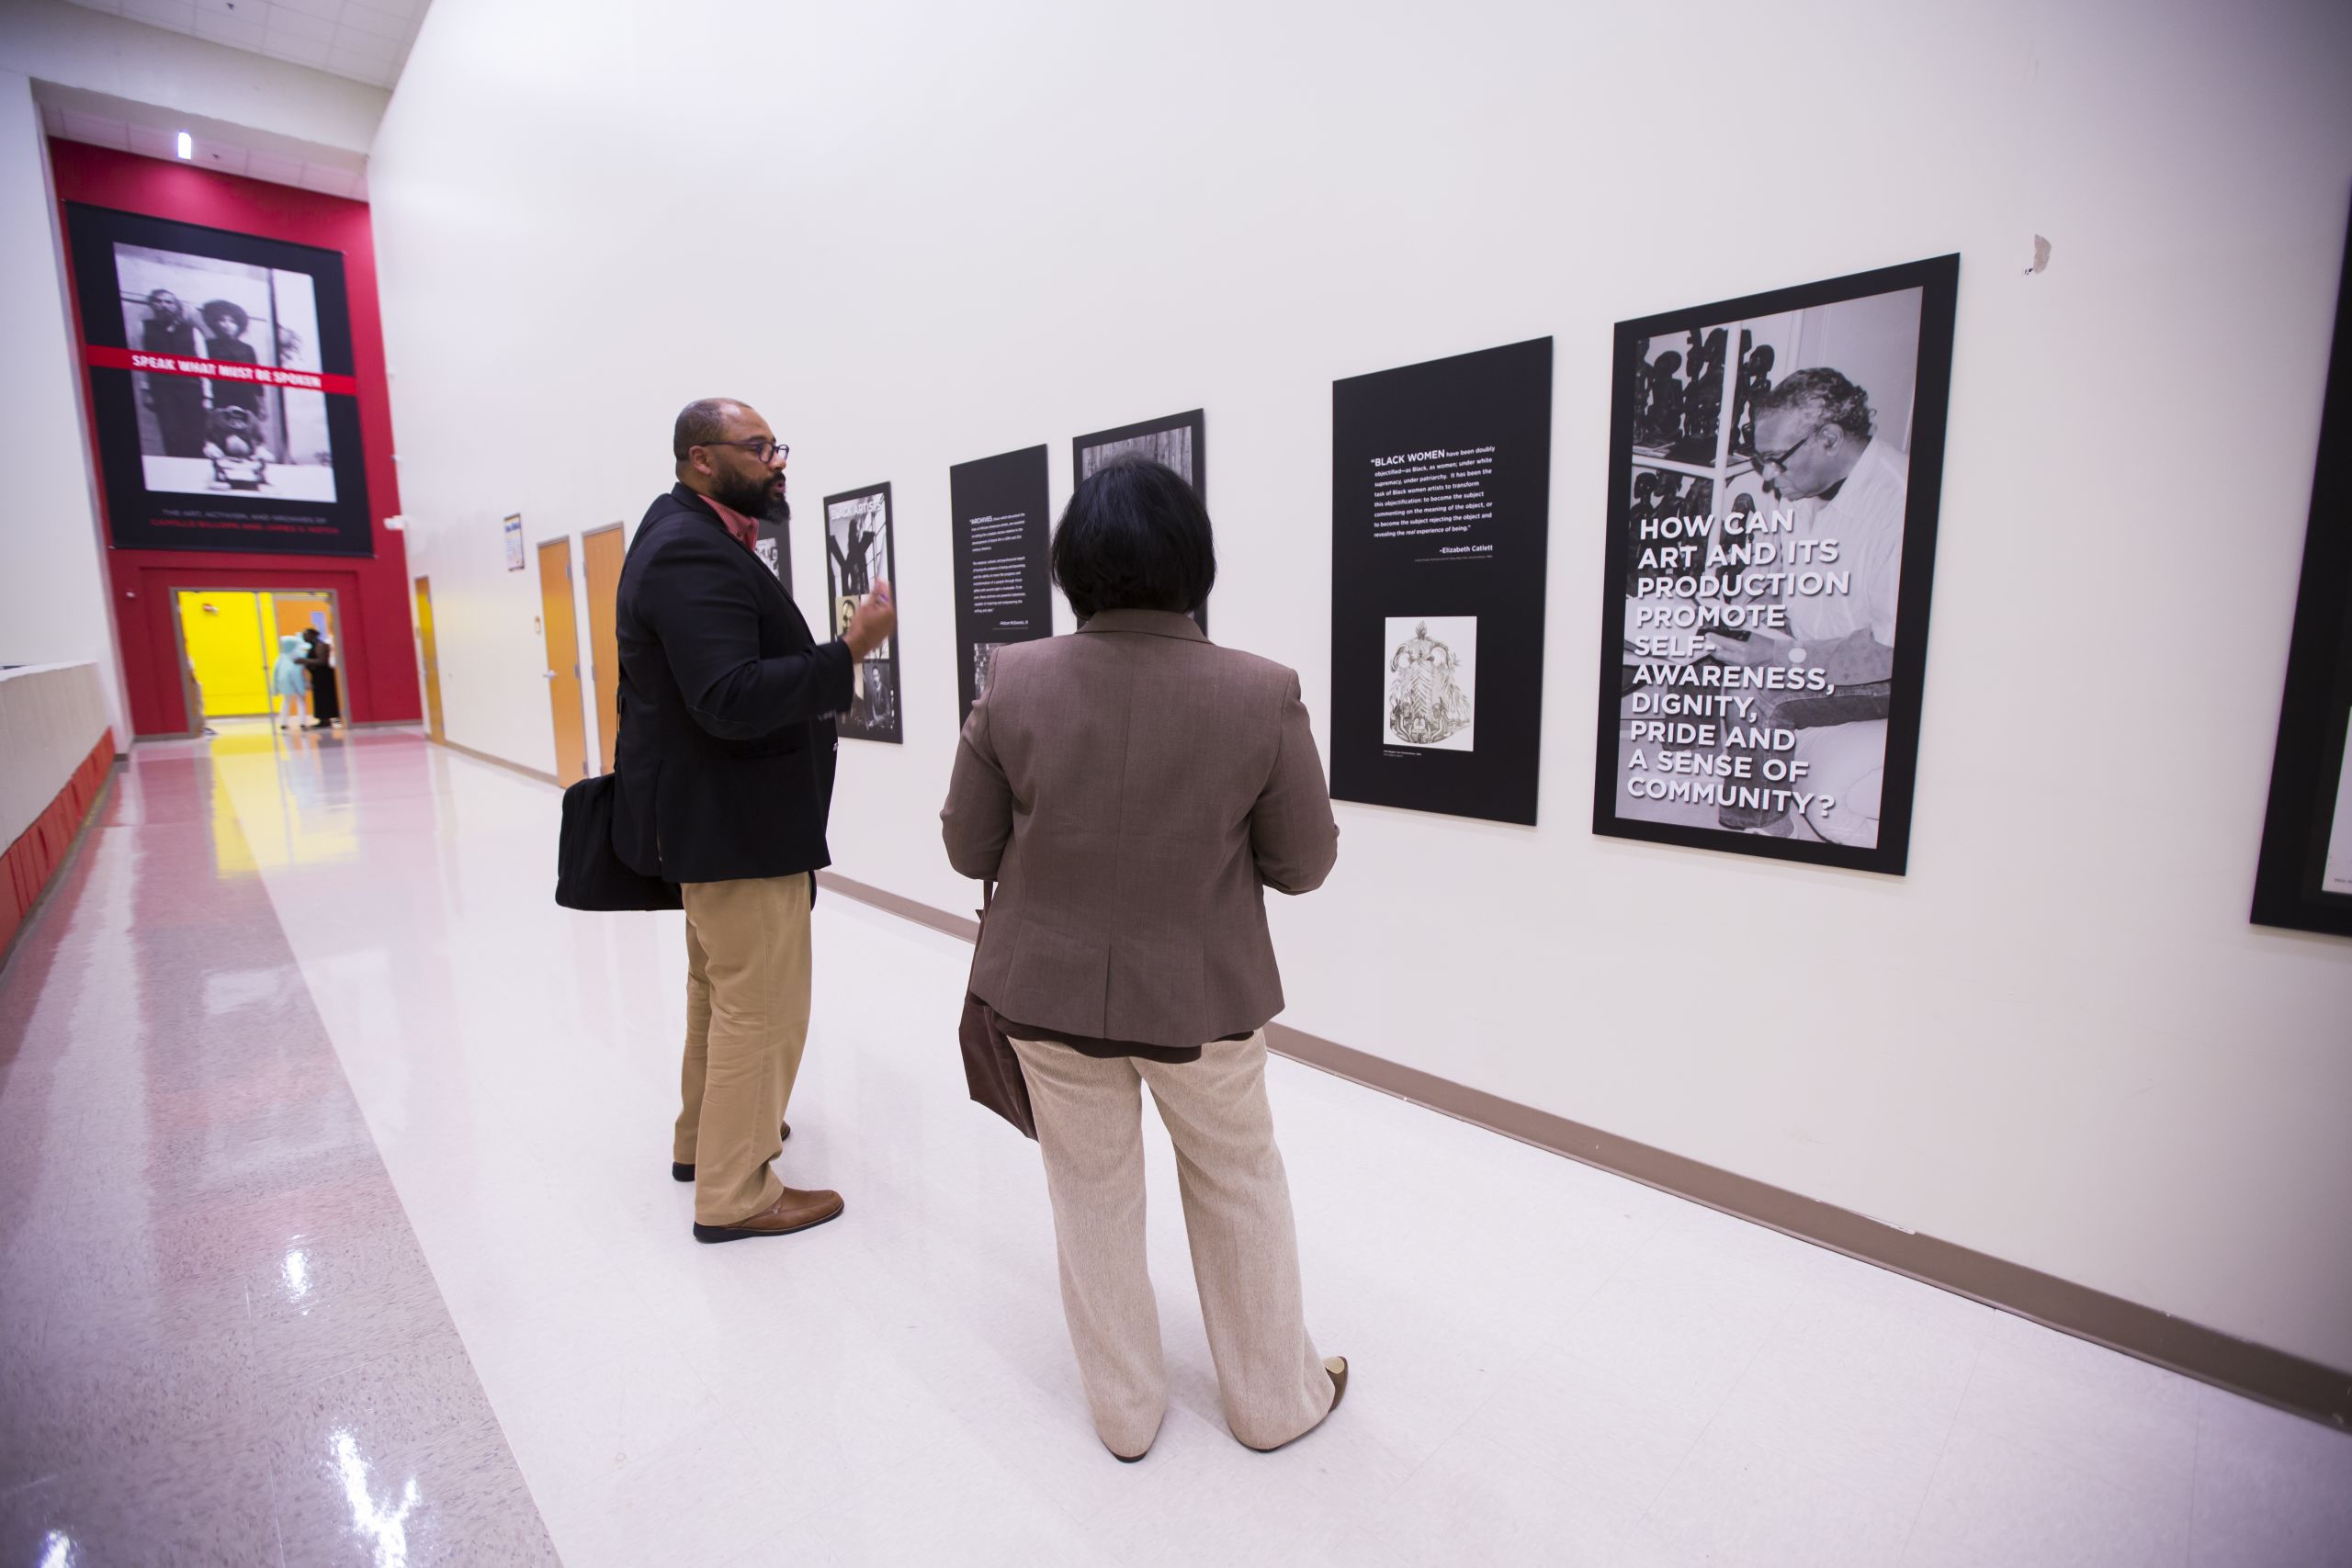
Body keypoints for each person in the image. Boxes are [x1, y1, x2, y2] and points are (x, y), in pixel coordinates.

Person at [940, 457, 1347, 1462]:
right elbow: (1302, 867)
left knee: (1089, 1195)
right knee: (1238, 1181)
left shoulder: (1016, 676)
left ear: (1070, 567)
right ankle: (1273, 1404)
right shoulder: (1263, 691)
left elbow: (965, 848)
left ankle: (1123, 1414)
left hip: (1047, 996)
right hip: (1203, 999)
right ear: (1194, 567)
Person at [613, 398, 896, 1244]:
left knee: (722, 992)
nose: (777, 460)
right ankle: (737, 1191)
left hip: (720, 820)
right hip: (736, 823)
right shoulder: (688, 553)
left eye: (777, 446)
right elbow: (729, 697)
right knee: (761, 1005)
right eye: (758, 446)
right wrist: (850, 652)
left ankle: (707, 1142)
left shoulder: (691, 538)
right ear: (702, 458)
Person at [1710, 366, 1907, 842]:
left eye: (1776, 460)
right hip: (1819, 646)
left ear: (1830, 438)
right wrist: (1736, 611)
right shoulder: (1799, 488)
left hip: (1883, 672)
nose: (1769, 478)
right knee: (1730, 665)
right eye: (1763, 462)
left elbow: (1888, 651)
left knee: (1760, 695)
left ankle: (1764, 835)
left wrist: (1777, 656)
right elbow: (1776, 573)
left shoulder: (1901, 504)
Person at [138, 290, 206, 457]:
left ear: (176, 306)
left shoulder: (193, 331)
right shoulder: (144, 328)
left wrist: (207, 395)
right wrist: (146, 391)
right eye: (159, 302)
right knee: (171, 434)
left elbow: (204, 364)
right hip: (163, 390)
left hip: (191, 390)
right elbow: (140, 360)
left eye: (169, 302)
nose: (164, 306)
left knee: (196, 435)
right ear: (152, 305)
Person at [300, 627, 341, 729]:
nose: (303, 637)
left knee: (324, 697)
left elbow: (322, 661)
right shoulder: (314, 646)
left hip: (323, 677)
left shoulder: (320, 645)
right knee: (319, 698)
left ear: (313, 635)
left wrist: (305, 661)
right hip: (317, 676)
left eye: (306, 635)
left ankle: (326, 719)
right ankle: (323, 719)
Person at [269, 635, 309, 729]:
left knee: (286, 702)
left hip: (284, 683)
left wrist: (275, 687)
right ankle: (302, 722)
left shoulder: (281, 658)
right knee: (301, 701)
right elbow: (304, 669)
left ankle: (284, 722)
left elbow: (275, 673)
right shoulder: (300, 655)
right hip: (298, 682)